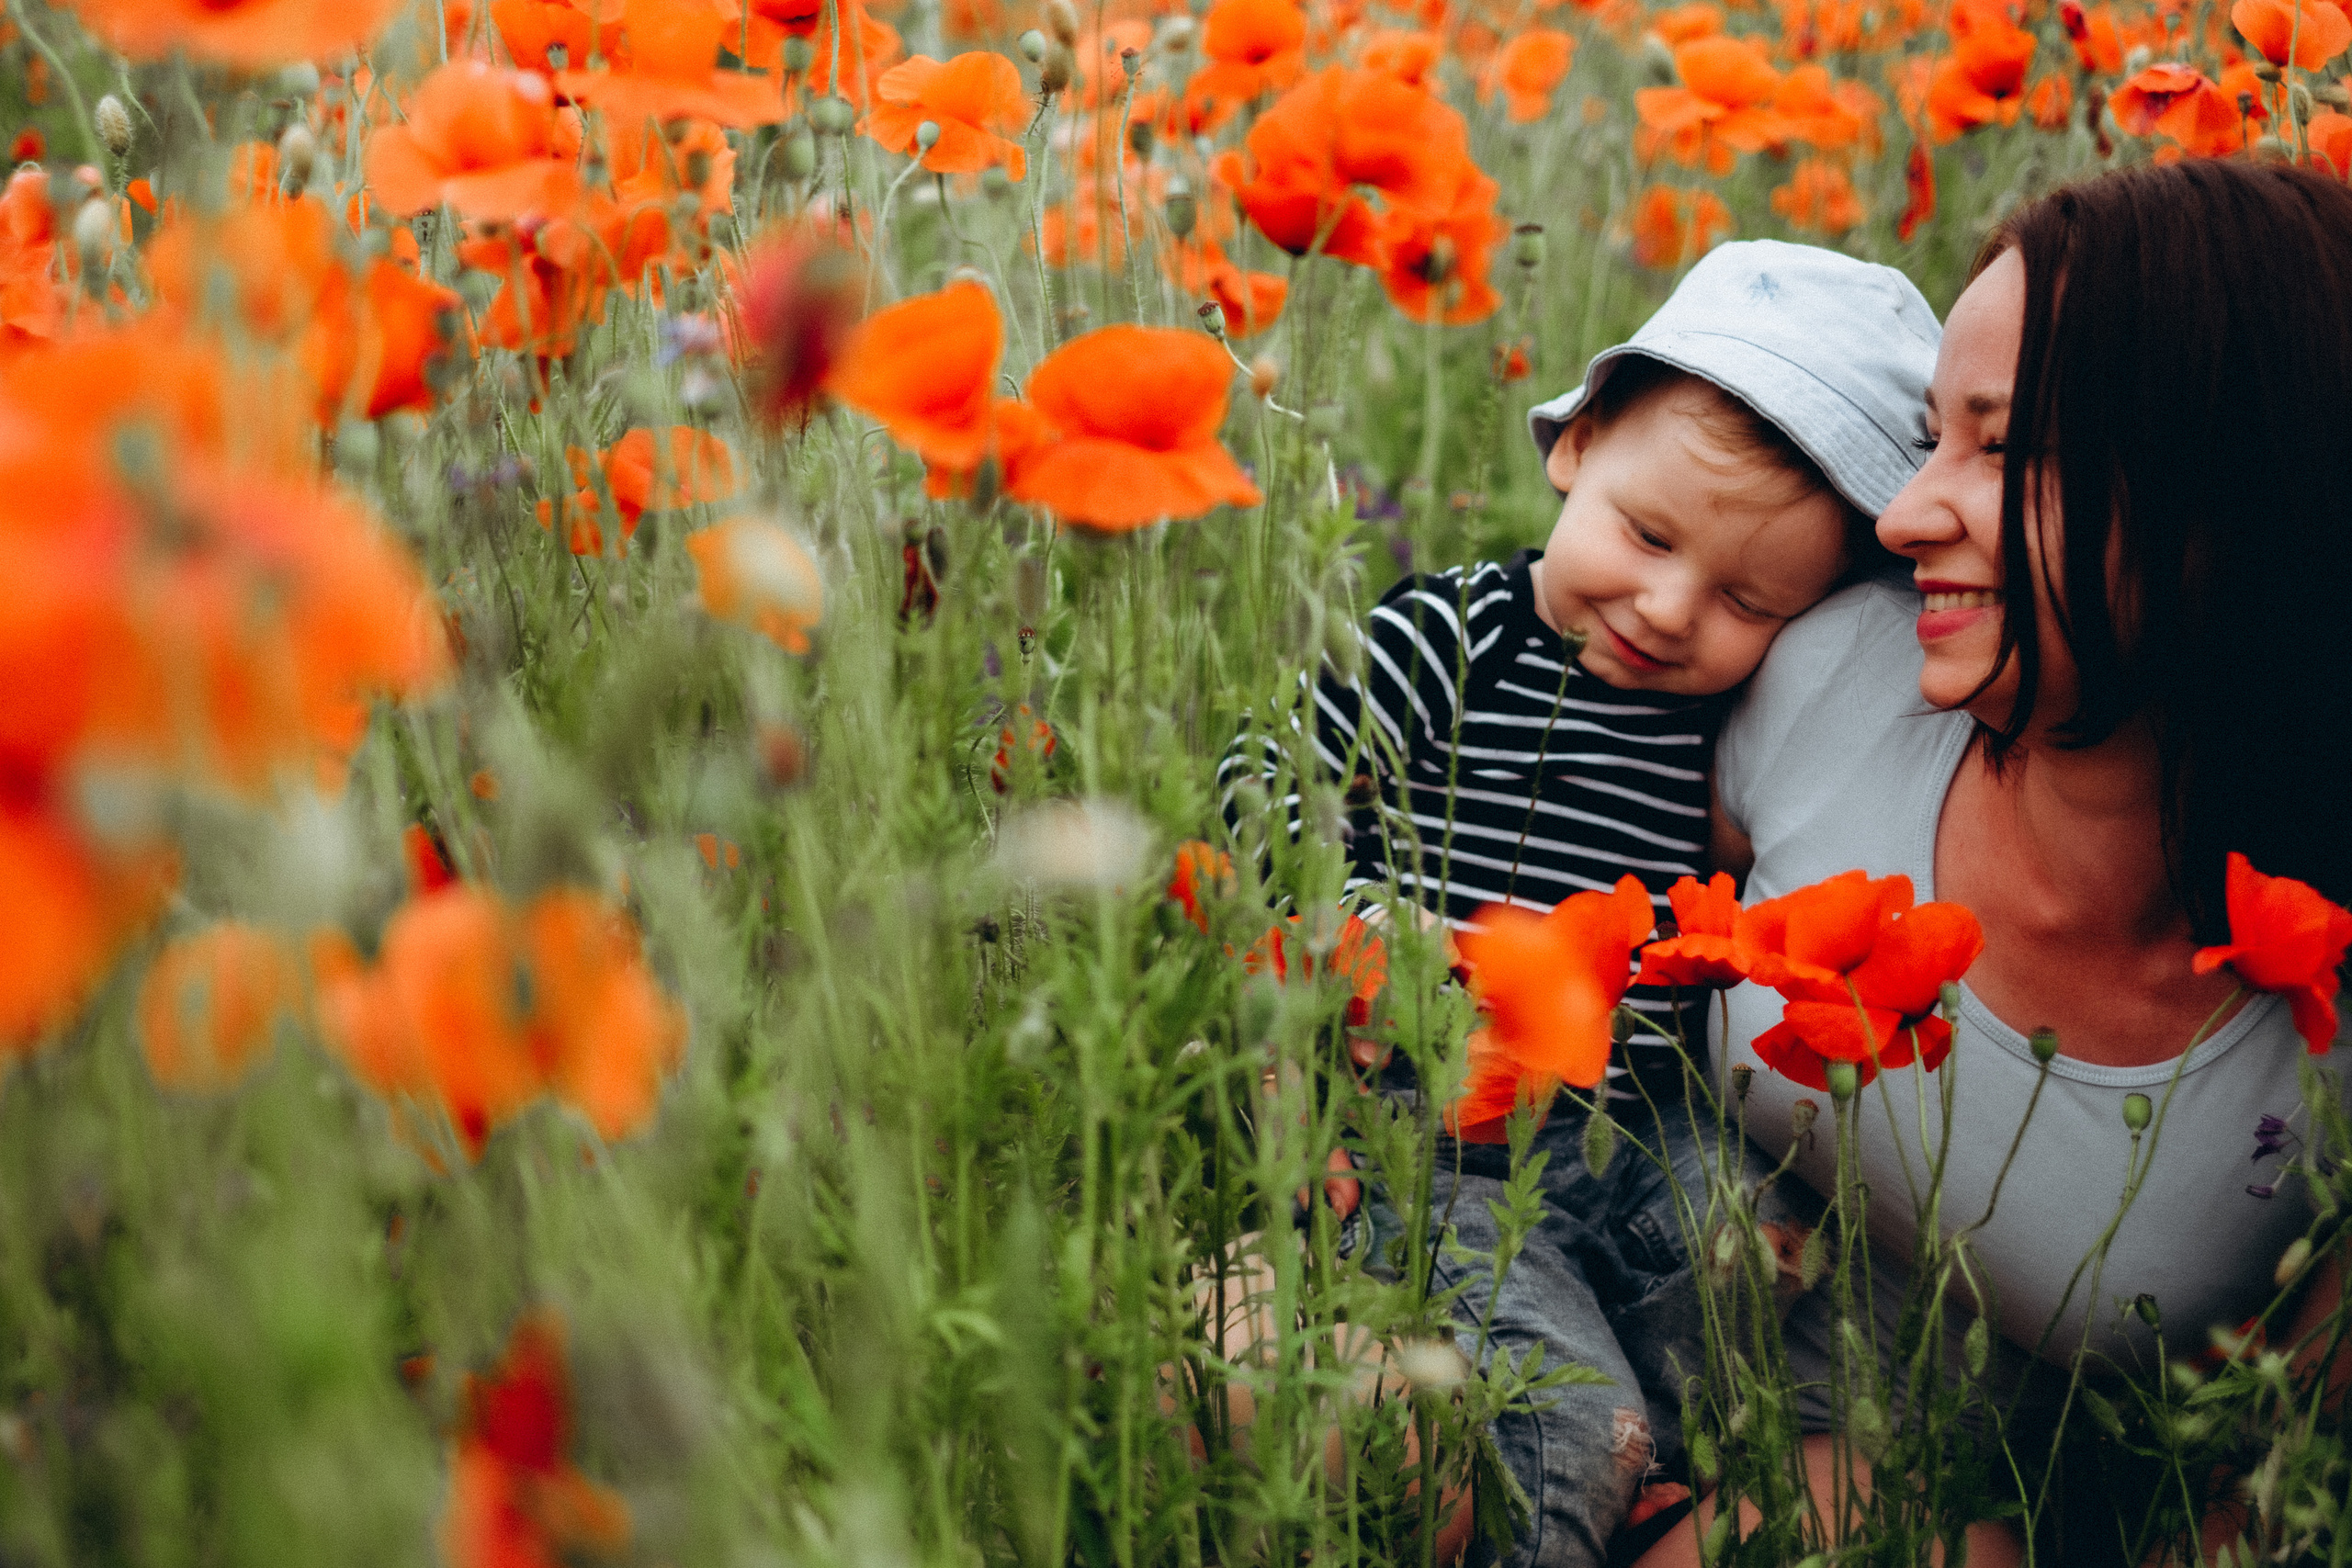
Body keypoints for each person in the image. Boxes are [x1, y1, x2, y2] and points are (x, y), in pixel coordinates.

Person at [1651, 160, 2352, 1567]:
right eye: (1928, 442)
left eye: (2002, 451)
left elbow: (2262, 1523)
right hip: (1595, 1318)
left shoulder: (2323, 1047)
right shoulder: (1831, 676)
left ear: (2239, 498)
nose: (1906, 519)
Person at [1219, 239, 1939, 1568]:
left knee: (1757, 1242)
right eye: (1646, 536)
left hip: (1626, 1132)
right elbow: (1265, 771)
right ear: (1578, 447)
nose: (1667, 610)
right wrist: (1370, 926)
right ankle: (1569, 1481)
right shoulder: (1463, 631)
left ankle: (1653, 1447)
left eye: (1744, 598)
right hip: (1440, 1133)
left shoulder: (1734, 720)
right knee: (1558, 1426)